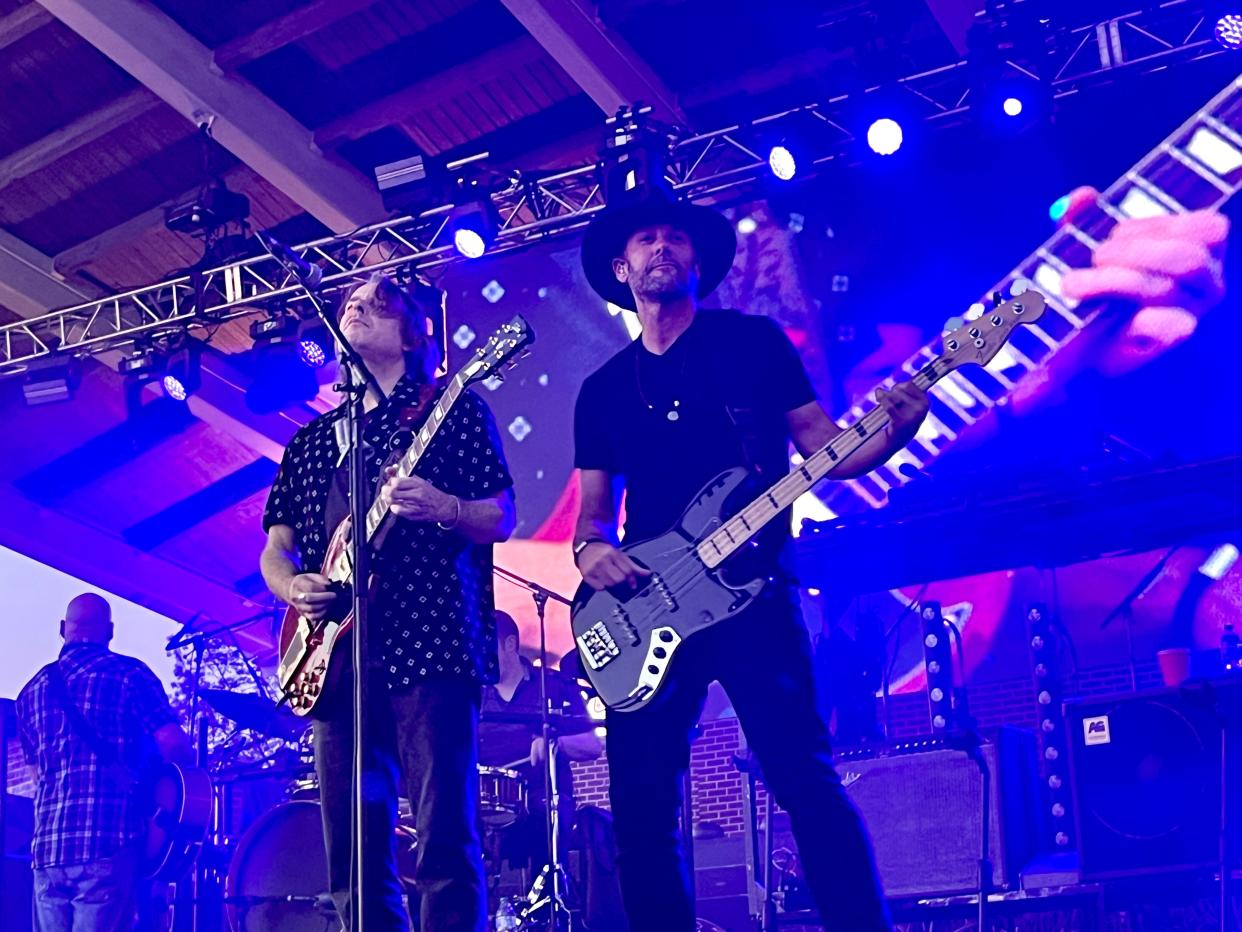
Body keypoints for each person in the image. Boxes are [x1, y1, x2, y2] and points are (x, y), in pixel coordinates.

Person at [571, 187, 931, 931]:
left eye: (675, 237)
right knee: (642, 813)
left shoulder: (752, 344)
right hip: (646, 604)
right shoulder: (601, 392)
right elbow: (594, 515)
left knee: (804, 778)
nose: (662, 246)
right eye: (646, 240)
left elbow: (826, 449)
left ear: (699, 261)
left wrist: (894, 433)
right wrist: (589, 553)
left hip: (753, 596)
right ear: (622, 266)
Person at [260, 273, 516, 932]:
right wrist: (294, 586)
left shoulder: (451, 408)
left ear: (411, 332)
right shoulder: (309, 444)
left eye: (380, 304)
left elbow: (501, 515)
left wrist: (447, 507)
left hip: (430, 639)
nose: (360, 306)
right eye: (352, 303)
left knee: (442, 838)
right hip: (337, 660)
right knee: (351, 848)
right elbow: (275, 550)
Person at [16, 593, 194, 932]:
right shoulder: (129, 675)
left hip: (48, 851)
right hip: (107, 841)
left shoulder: (30, 692)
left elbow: (36, 776)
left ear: (62, 629)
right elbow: (173, 744)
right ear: (109, 632)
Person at [478, 611, 601, 876]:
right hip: (484, 804)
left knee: (548, 819)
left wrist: (555, 744)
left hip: (543, 800)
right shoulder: (473, 696)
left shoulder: (554, 685)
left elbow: (592, 745)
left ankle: (549, 902)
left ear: (510, 644)